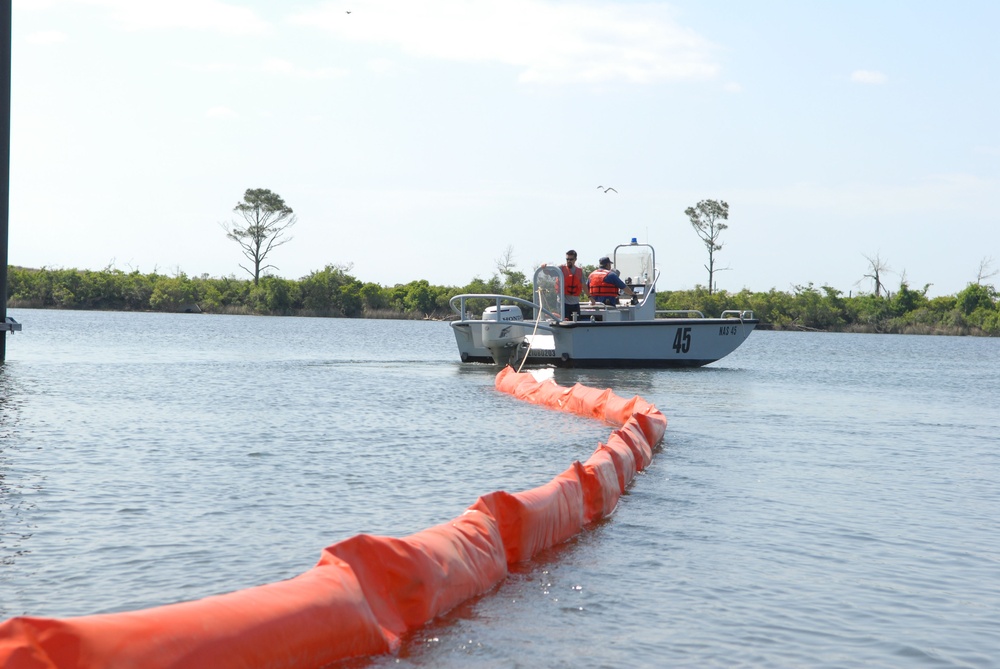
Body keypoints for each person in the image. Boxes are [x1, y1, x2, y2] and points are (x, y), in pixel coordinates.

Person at [552, 249, 584, 320]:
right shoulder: (560, 269)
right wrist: (544, 268)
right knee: (564, 321)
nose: (569, 261)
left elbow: (583, 285)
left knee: (577, 322)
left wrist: (590, 297)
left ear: (575, 259)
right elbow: (549, 272)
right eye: (567, 259)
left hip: (575, 303)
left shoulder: (579, 271)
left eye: (571, 259)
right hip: (563, 303)